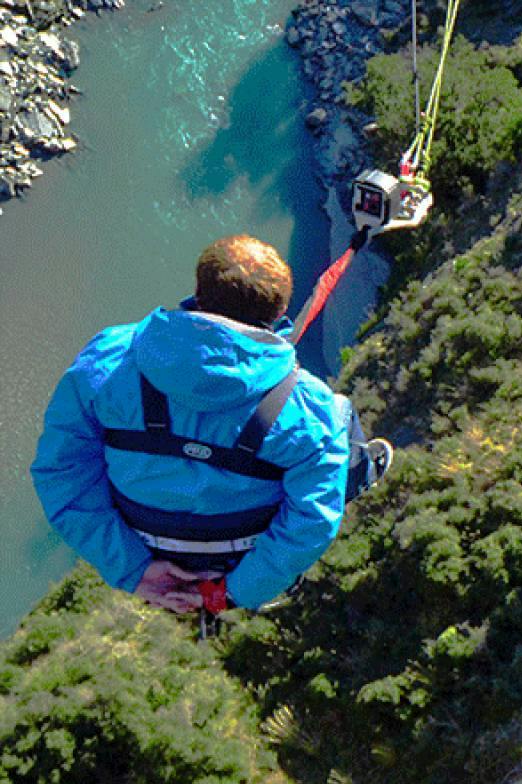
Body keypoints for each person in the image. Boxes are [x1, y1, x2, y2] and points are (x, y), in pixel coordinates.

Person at [32, 234, 390, 614]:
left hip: (142, 541)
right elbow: (312, 521)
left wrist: (135, 569)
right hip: (236, 556)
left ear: (197, 292)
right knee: (340, 425)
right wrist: (231, 592)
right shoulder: (309, 406)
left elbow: (61, 473)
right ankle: (360, 470)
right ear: (278, 313)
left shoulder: (109, 359)